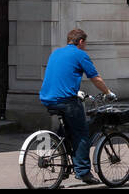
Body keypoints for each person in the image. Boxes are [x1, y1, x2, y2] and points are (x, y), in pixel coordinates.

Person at [39, 28, 115, 184]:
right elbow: (96, 78)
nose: (85, 46)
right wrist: (108, 93)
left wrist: (76, 91)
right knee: (81, 133)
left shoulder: (56, 53)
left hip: (48, 98)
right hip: (65, 100)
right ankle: (83, 172)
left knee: (66, 131)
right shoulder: (80, 54)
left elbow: (61, 76)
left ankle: (63, 166)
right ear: (81, 42)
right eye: (85, 43)